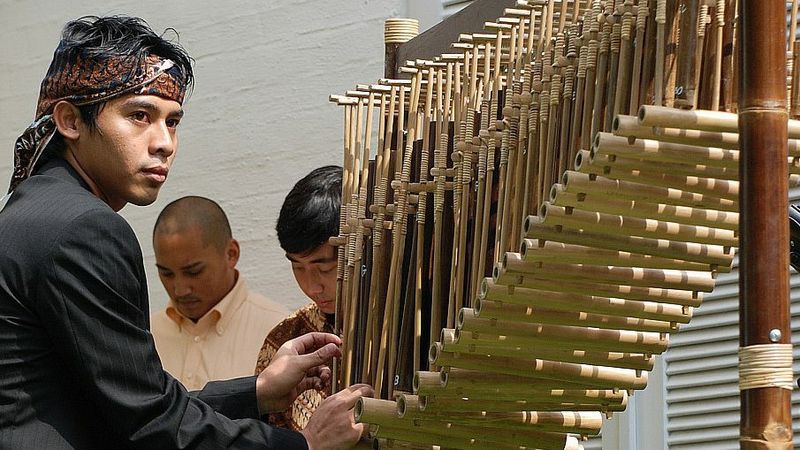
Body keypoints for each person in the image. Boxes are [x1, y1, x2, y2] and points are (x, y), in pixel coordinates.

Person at [0, 16, 370, 449]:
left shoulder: (33, 211)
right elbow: (150, 426)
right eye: (139, 115)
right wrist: (306, 443)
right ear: (71, 121)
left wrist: (256, 393)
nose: (164, 142)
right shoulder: (85, 228)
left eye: (172, 121)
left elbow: (128, 405)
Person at [150, 196, 290, 390]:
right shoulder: (144, 336)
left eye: (194, 271)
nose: (180, 289)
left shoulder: (280, 334)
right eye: (166, 273)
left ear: (231, 254)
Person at [255, 165, 342, 431]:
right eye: (297, 266)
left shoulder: (413, 327)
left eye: (324, 267)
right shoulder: (286, 339)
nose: (311, 286)